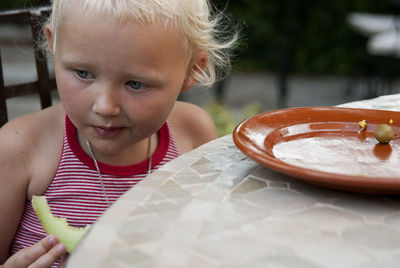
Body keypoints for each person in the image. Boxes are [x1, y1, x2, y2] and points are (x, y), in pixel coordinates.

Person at [0, 0, 237, 266]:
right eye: (83, 73)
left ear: (193, 69)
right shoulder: (21, 147)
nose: (105, 107)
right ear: (54, 44)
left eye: (135, 84)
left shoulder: (193, 133)